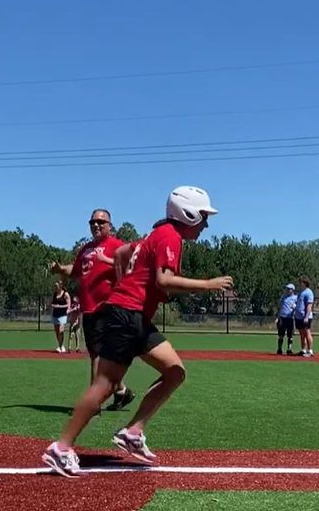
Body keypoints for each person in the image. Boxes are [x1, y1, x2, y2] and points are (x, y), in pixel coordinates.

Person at [42, 186, 233, 478]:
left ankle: (132, 432)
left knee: (175, 372)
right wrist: (208, 285)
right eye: (203, 217)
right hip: (126, 315)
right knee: (105, 385)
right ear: (188, 214)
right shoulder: (170, 236)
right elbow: (164, 280)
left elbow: (121, 252)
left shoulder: (158, 234)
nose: (205, 224)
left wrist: (123, 281)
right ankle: (61, 448)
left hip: (134, 315)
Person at [50, 208, 134, 410]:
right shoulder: (86, 248)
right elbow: (75, 270)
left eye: (101, 222)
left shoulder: (117, 246)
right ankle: (121, 391)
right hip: (89, 308)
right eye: (92, 222)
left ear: (109, 225)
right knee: (100, 356)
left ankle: (93, 402)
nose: (96, 225)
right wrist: (61, 269)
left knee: (98, 355)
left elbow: (131, 269)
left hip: (109, 307)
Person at [295, 276, 315, 357]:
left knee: (307, 333)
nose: (300, 284)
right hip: (299, 316)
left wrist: (306, 317)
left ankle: (310, 351)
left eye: (301, 282)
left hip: (305, 316)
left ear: (305, 283)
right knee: (302, 333)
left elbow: (309, 306)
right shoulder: (301, 292)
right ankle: (303, 349)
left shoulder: (308, 292)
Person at [49, 281, 72, 353]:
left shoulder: (65, 294)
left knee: (61, 330)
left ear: (60, 286)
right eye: (55, 286)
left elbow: (68, 305)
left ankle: (60, 346)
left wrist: (60, 306)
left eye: (56, 286)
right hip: (55, 314)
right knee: (57, 332)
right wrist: (54, 306)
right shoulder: (54, 294)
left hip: (63, 314)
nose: (55, 287)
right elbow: (50, 303)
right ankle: (61, 345)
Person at [276, 283, 298, 355]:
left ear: (293, 290)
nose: (288, 290)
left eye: (289, 289)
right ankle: (279, 349)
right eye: (287, 289)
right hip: (282, 317)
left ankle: (289, 349)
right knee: (281, 334)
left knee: (290, 335)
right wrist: (278, 317)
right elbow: (280, 307)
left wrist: (295, 307)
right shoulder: (283, 297)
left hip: (290, 318)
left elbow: (299, 306)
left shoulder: (296, 297)